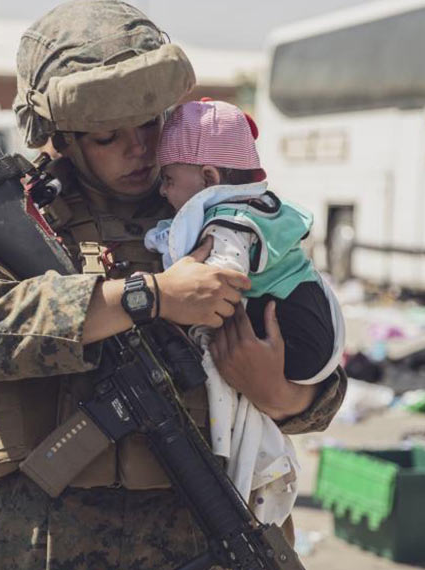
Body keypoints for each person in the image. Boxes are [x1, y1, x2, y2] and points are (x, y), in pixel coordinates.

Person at [0, 1, 347, 567]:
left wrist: (279, 392)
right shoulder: (26, 221)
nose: (140, 149)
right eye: (109, 135)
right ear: (63, 136)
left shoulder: (214, 215)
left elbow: (319, 370)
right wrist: (149, 297)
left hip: (208, 526)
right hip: (55, 540)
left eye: (151, 123)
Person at [144, 98, 345, 527]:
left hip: (295, 342)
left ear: (209, 178)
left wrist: (167, 293)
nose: (161, 190)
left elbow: (221, 277)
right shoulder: (252, 205)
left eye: (168, 179)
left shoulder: (230, 220)